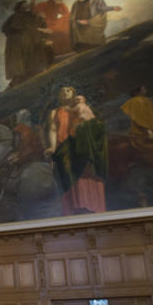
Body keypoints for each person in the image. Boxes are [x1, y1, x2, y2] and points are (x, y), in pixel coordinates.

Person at [45, 85, 107, 215]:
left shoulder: (82, 107)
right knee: (69, 176)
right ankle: (73, 208)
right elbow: (53, 129)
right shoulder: (54, 112)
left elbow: (91, 124)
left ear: (74, 94)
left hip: (81, 145)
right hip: (64, 147)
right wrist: (53, 146)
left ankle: (91, 205)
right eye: (61, 92)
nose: (64, 93)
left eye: (67, 91)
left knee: (86, 173)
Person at [1, 0, 53, 86]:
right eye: (24, 5)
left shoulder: (29, 15)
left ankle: (34, 70)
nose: (26, 6)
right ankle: (19, 76)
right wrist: (16, 30)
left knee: (32, 54)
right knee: (18, 60)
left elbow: (35, 24)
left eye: (26, 5)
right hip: (16, 43)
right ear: (19, 7)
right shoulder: (14, 17)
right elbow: (5, 28)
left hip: (29, 40)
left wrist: (40, 18)